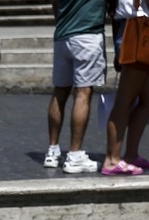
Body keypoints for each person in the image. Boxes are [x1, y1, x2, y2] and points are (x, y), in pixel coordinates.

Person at [43, 0, 108, 174]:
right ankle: (74, 155)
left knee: (59, 92)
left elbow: (54, 4)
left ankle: (52, 151)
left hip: (62, 36)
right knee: (83, 93)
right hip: (87, 35)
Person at [102, 0, 149, 175]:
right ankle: (112, 160)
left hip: (132, 30)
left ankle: (131, 154)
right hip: (137, 32)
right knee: (125, 100)